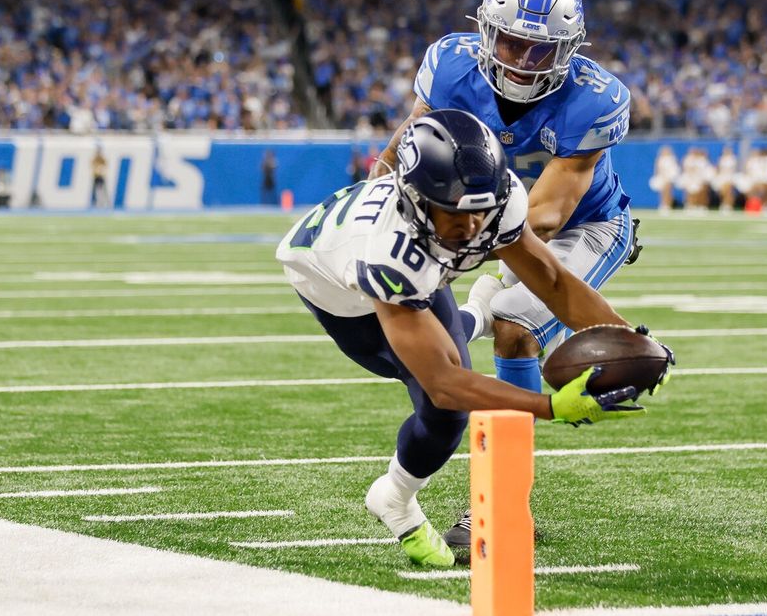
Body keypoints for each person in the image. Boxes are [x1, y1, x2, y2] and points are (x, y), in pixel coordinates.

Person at [276, 110, 665, 567]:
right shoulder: (389, 254)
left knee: (444, 363)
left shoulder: (492, 202)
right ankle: (395, 498)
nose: (474, 227)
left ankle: (475, 313)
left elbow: (553, 281)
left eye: (482, 210)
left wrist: (629, 339)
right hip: (338, 288)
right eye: (455, 214)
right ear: (416, 203)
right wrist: (551, 407)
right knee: (444, 404)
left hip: (417, 264)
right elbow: (445, 383)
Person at [367, 0, 641, 546]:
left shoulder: (594, 101)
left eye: (540, 51)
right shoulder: (450, 64)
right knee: (477, 318)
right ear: (486, 32)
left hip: (583, 228)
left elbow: (542, 217)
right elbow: (412, 142)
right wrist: (377, 194)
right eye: (511, 42)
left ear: (567, 50)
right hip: (484, 215)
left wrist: (458, 244)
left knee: (516, 326)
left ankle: (502, 505)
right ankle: (481, 310)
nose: (521, 61)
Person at [650, 146, 681, 214]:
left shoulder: (672, 159)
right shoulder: (660, 159)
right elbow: (657, 170)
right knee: (663, 192)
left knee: (668, 191)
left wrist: (669, 177)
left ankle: (668, 205)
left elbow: (675, 170)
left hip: (670, 178)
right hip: (662, 178)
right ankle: (663, 204)